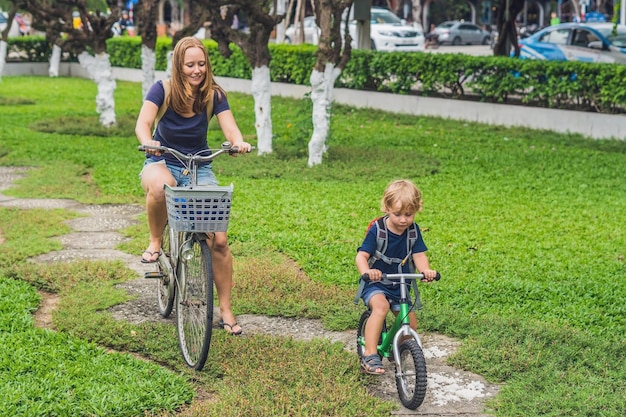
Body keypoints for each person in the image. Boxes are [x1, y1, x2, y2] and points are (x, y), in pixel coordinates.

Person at [135, 36, 252, 335]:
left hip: (199, 166)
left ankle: (225, 309)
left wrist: (238, 143)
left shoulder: (214, 95)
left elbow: (230, 127)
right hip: (163, 160)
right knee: (162, 186)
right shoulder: (162, 89)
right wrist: (149, 143)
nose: (197, 70)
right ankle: (155, 241)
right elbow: (143, 123)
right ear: (179, 65)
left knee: (220, 240)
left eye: (201, 64)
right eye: (190, 65)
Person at [355, 179, 438, 375]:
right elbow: (361, 256)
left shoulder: (413, 231)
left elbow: (419, 255)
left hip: (400, 284)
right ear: (387, 208)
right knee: (381, 307)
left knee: (410, 322)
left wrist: (426, 270)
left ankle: (397, 349)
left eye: (408, 215)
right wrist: (367, 272)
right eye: (397, 214)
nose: (403, 220)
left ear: (416, 210)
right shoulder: (378, 230)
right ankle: (369, 353)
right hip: (376, 283)